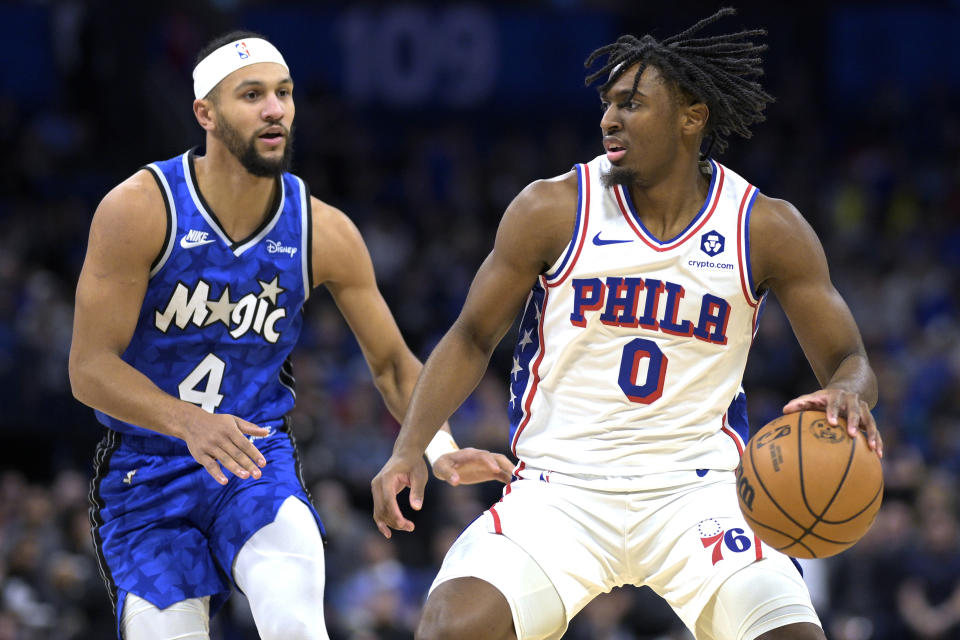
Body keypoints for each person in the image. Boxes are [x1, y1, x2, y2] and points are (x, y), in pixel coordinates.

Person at [371, 8, 883, 640]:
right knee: (452, 627)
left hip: (700, 491)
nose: (610, 118)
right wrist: (408, 447)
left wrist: (851, 394)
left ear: (692, 117)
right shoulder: (552, 208)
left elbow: (849, 359)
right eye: (609, 104)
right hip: (562, 489)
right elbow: (472, 337)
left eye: (633, 103)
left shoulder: (763, 226)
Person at [68, 30, 512, 640]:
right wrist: (189, 421)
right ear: (206, 113)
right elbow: (89, 369)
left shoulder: (321, 229)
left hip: (256, 461)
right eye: (251, 95)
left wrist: (437, 447)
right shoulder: (140, 209)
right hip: (146, 475)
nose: (274, 109)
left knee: (297, 624)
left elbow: (390, 365)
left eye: (283, 93)